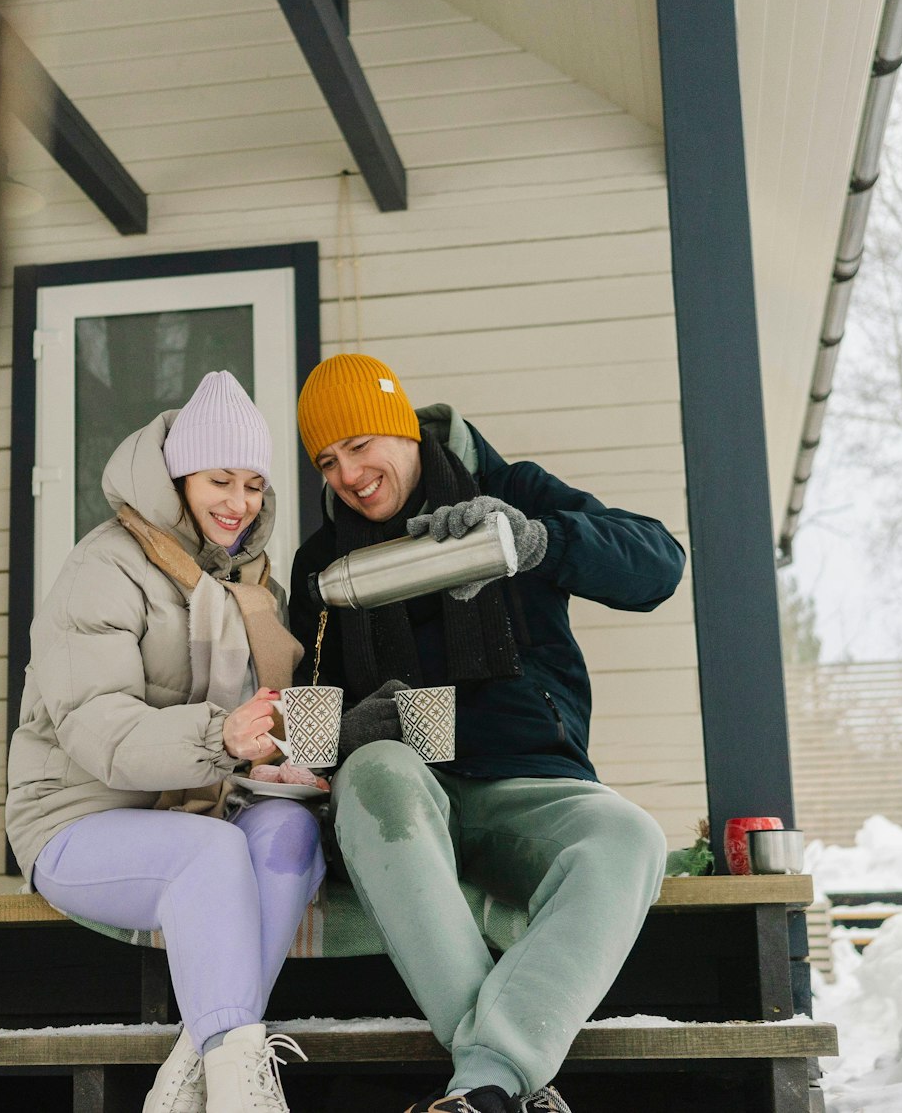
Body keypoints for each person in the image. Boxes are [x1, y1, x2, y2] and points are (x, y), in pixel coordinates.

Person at [286, 354, 687, 1113]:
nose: (349, 473)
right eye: (328, 460)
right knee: (373, 770)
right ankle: (503, 1080)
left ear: (405, 429)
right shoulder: (323, 565)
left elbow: (660, 564)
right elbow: (304, 730)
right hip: (404, 799)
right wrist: (348, 728)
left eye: (362, 444)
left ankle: (487, 1082)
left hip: (530, 778)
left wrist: (534, 540)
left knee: (628, 837)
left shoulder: (514, 495)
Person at [7, 371, 322, 1113]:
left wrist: (291, 757)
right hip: (73, 820)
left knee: (289, 835)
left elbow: (252, 731)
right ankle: (244, 1090)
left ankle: (198, 1057)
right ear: (177, 475)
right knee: (212, 854)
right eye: (218, 479)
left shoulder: (249, 585)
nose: (237, 502)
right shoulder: (104, 565)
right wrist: (222, 735)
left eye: (252, 484)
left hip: (189, 812)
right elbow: (97, 728)